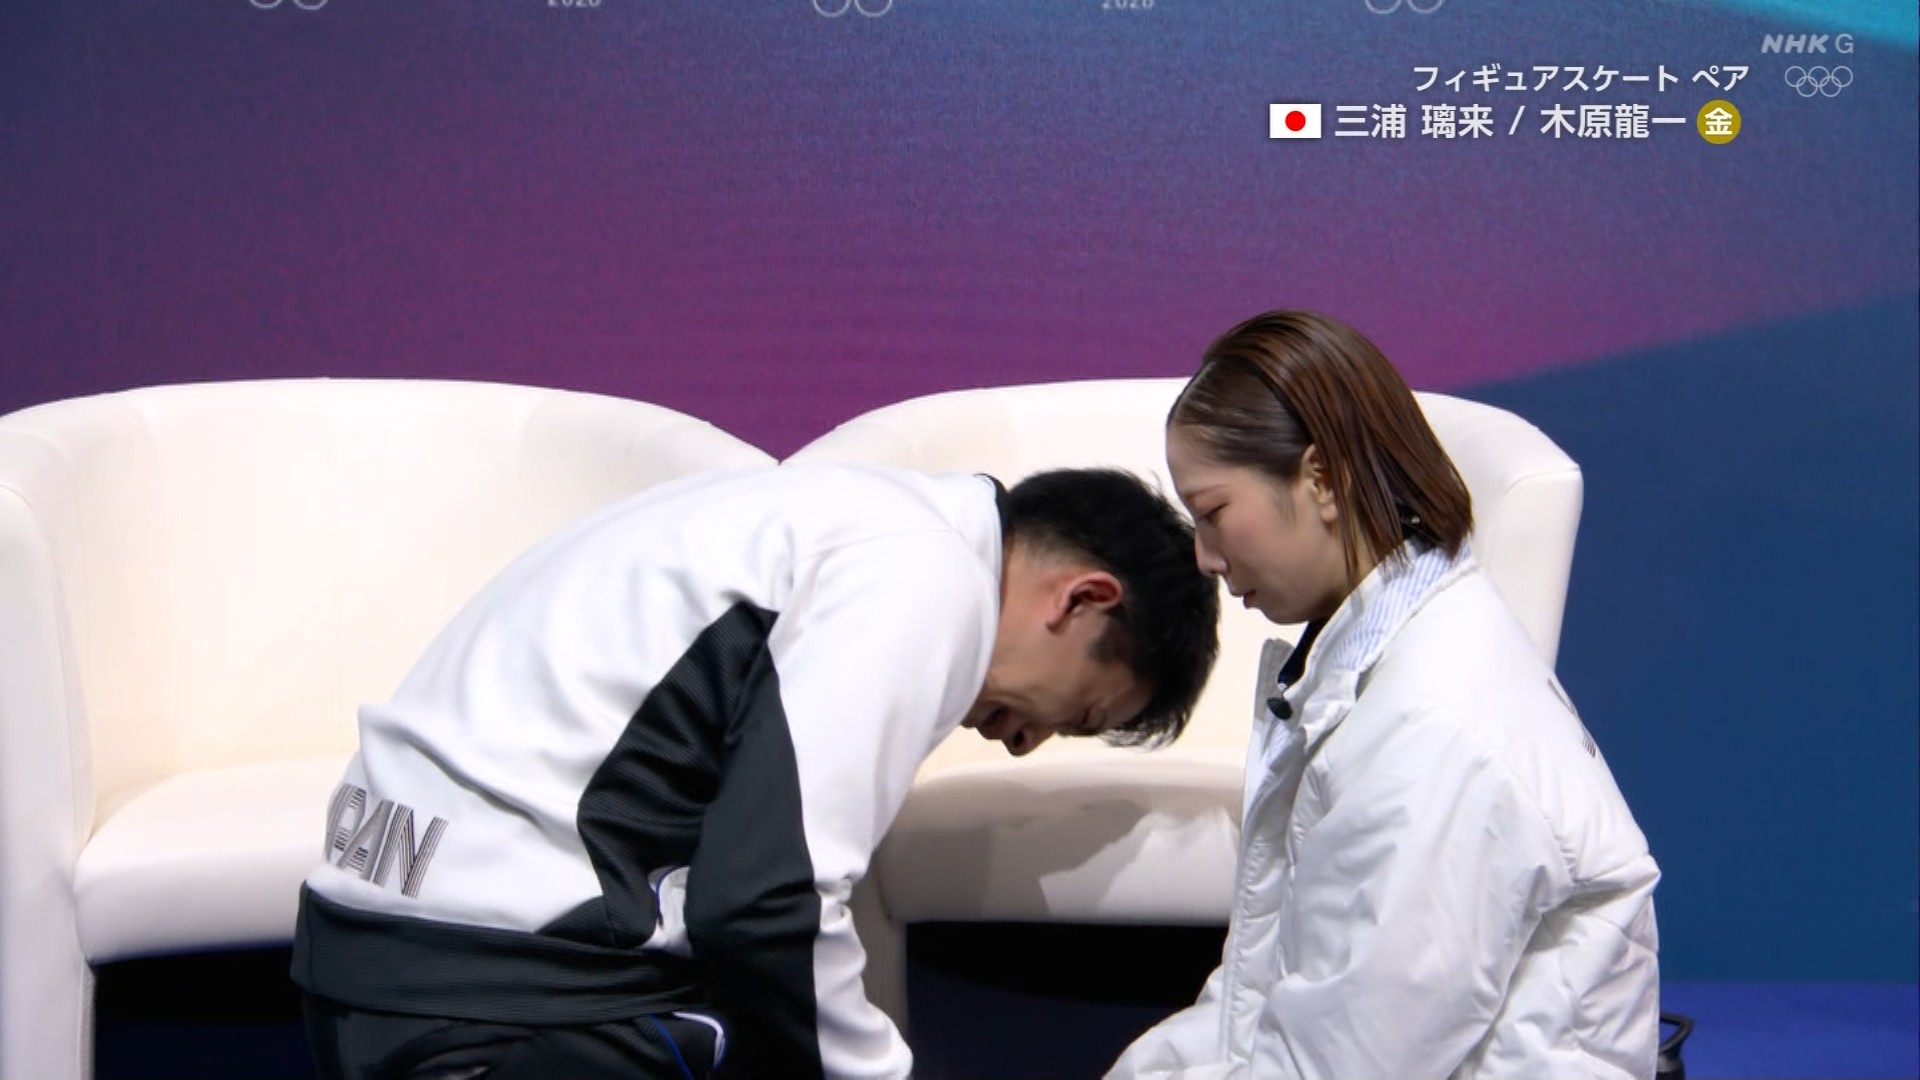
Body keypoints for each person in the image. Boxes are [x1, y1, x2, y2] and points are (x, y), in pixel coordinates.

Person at [291, 461, 1219, 1080]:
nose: (1023, 742)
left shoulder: (833, 513)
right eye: (1081, 714)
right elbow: (768, 904)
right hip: (496, 1006)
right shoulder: (919, 573)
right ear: (1083, 601)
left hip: (366, 956)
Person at [1107, 310, 1661, 1080]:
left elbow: (1347, 1064)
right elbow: (1260, 1005)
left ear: (1323, 478)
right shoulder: (1383, 661)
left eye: (1213, 513)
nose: (1204, 556)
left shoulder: (1430, 728)